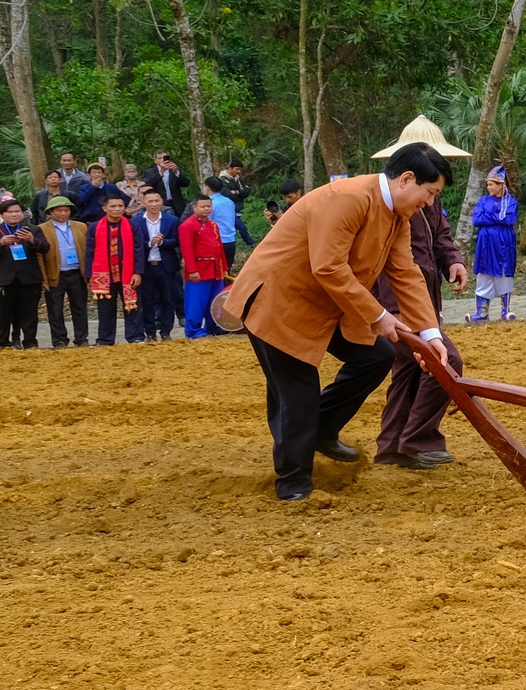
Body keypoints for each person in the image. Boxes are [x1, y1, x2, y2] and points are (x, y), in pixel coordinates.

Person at [219, 142, 451, 499]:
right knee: (297, 394)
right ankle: (293, 484)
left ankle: (322, 428)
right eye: (430, 192)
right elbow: (327, 266)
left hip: (328, 305)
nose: (430, 203)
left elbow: (407, 273)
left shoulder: (398, 218)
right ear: (407, 179)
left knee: (377, 357)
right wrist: (378, 315)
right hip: (279, 302)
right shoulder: (348, 198)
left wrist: (430, 332)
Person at [369, 118, 471, 470]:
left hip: (425, 299)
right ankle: (418, 440)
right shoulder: (387, 205)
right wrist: (393, 310)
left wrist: (453, 261)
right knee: (444, 361)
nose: (431, 198)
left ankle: (392, 446)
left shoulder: (429, 199)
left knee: (409, 370)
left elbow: (440, 237)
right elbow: (387, 263)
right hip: (397, 302)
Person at [31, 194, 91, 346]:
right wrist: (43, 278)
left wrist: (88, 274)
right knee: (55, 309)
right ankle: (59, 340)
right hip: (55, 274)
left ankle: (81, 338)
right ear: (51, 212)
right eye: (59, 210)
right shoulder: (41, 229)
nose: (63, 213)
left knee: (79, 307)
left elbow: (88, 250)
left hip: (77, 273)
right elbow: (39, 256)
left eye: (66, 210)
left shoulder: (81, 226)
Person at [0, 198, 46, 346]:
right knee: (1, 314)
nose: (14, 215)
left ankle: (30, 342)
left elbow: (46, 248)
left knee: (30, 314)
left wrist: (32, 240)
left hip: (29, 279)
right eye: (10, 212)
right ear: (2, 214)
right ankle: (2, 344)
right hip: (2, 280)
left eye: (17, 211)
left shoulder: (33, 229)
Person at [85, 191, 141, 345]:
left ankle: (135, 336)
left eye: (120, 206)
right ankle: (105, 339)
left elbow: (138, 251)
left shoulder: (132, 225)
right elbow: (89, 251)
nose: (117, 209)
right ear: (105, 208)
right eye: (113, 206)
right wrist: (89, 275)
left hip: (127, 273)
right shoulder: (95, 227)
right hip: (104, 275)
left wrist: (138, 272)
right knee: (105, 309)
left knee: (132, 306)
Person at [175, 189, 229, 339]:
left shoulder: (213, 225)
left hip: (215, 268)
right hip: (199, 270)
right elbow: (187, 250)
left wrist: (224, 267)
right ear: (194, 208)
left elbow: (219, 247)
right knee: (196, 301)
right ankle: (193, 330)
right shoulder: (187, 225)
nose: (206, 209)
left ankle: (213, 326)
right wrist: (192, 270)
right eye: (203, 206)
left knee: (215, 300)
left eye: (208, 206)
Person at [469, 167, 521, 321]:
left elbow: (508, 219)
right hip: (485, 245)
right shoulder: (484, 200)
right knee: (484, 274)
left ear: (501, 184)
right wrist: (497, 216)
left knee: (504, 274)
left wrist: (489, 216)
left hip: (504, 244)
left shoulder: (511, 202)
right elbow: (477, 219)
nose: (489, 187)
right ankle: (482, 313)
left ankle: (506, 311)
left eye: (491, 184)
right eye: (488, 185)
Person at [131, 187, 181, 343]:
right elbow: (134, 244)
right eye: (150, 201)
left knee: (168, 300)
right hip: (145, 267)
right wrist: (149, 243)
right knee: (147, 301)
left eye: (156, 201)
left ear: (162, 202)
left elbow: (176, 241)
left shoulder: (171, 220)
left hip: (165, 265)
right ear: (143, 203)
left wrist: (163, 242)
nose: (154, 204)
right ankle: (150, 333)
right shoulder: (136, 222)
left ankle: (166, 331)